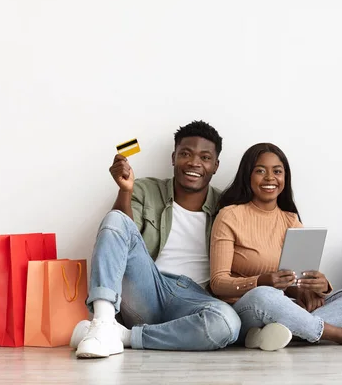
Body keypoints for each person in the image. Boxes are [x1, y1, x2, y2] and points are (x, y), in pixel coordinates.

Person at [71, 121, 241, 358]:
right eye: (185, 154)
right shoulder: (145, 190)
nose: (194, 163)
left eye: (205, 157)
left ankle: (121, 336)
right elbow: (123, 235)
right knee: (116, 218)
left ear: (215, 165)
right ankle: (101, 322)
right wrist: (125, 191)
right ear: (173, 158)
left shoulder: (228, 207)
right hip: (149, 287)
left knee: (227, 323)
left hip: (194, 299)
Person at [209, 143, 342, 351]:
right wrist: (260, 281)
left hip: (286, 307)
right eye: (260, 171)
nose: (270, 178)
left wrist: (315, 288)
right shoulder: (229, 216)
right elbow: (218, 283)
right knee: (264, 294)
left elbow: (294, 282)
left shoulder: (291, 220)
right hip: (247, 309)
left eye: (277, 171)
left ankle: (276, 333)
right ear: (247, 176)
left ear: (285, 178)